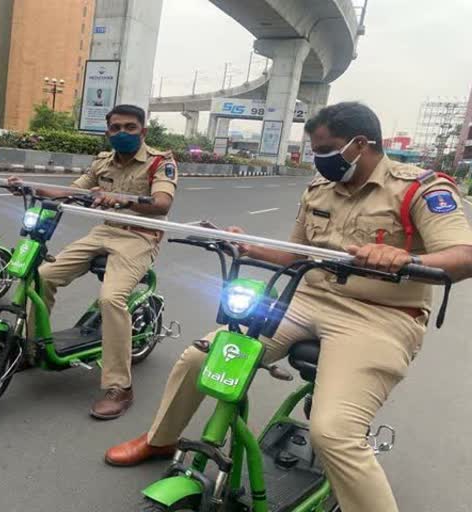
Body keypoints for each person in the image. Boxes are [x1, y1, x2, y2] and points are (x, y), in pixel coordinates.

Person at [104, 102, 472, 511]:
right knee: (198, 359)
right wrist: (247, 245)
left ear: (359, 144)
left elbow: (464, 255)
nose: (320, 158)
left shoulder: (421, 188)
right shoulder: (319, 188)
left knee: (333, 432)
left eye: (327, 148)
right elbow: (297, 254)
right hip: (304, 299)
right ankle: (161, 440)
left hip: (379, 317)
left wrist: (407, 260)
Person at [9, 104, 177, 419]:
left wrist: (124, 200)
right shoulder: (102, 162)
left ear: (143, 130)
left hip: (139, 238)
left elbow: (162, 203)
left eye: (130, 127)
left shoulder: (160, 162)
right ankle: (31, 350)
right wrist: (27, 186)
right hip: (102, 231)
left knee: (111, 299)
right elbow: (69, 192)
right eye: (116, 128)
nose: (123, 133)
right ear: (107, 131)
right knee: (40, 276)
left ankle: (120, 387)